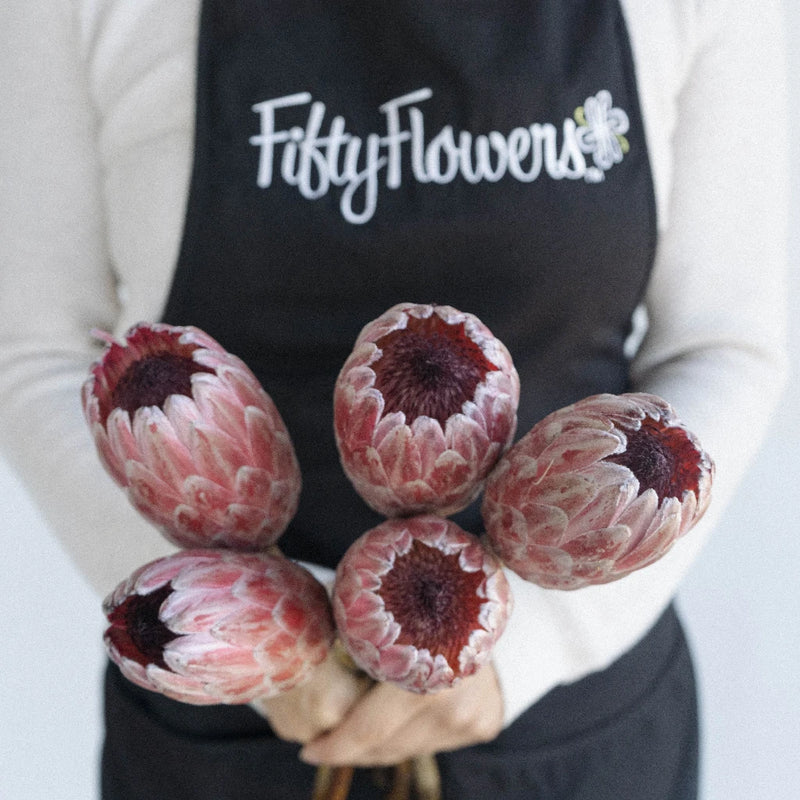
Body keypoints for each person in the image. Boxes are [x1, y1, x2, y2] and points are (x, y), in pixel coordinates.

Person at [0, 1, 789, 798]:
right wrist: (249, 637)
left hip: (571, 731)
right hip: (229, 729)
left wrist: (535, 647)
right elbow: (38, 350)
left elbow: (726, 344)